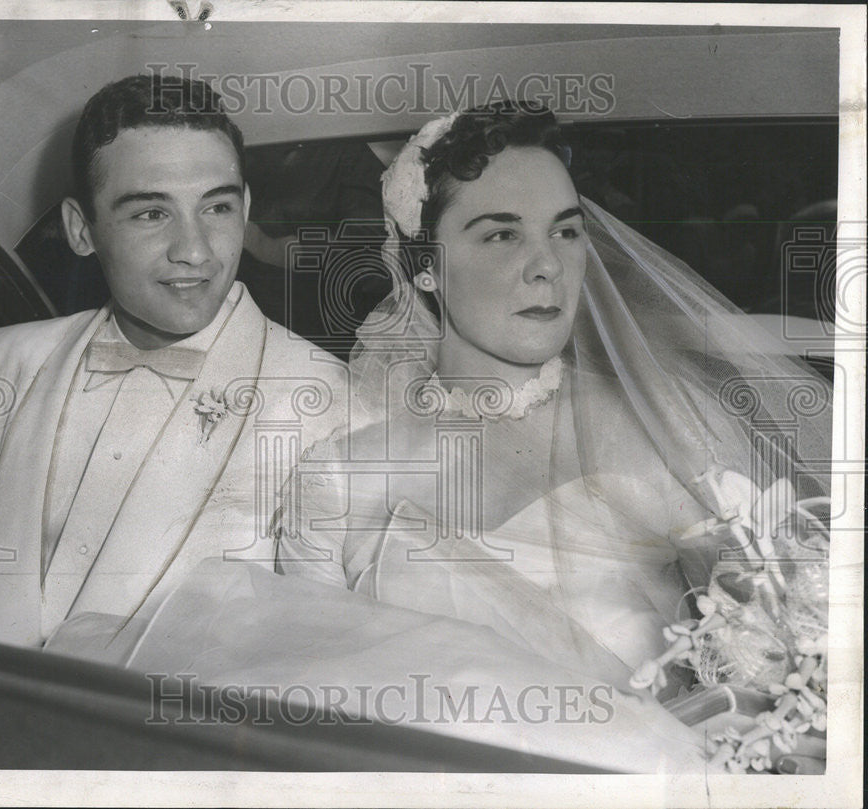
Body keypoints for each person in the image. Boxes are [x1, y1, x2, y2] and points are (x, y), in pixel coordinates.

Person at [275, 102, 832, 765]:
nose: (548, 266)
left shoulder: (663, 423)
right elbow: (302, 720)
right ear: (425, 265)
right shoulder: (342, 474)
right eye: (501, 235)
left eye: (566, 232)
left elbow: (789, 659)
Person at [0, 74, 348, 647]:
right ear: (82, 230)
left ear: (246, 209)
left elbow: (322, 650)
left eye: (217, 207)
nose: (195, 250)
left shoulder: (326, 399)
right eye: (151, 214)